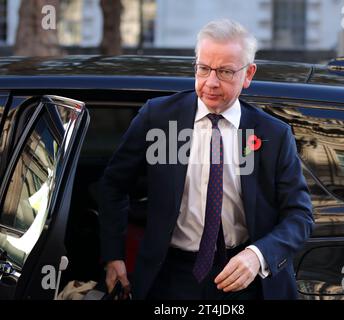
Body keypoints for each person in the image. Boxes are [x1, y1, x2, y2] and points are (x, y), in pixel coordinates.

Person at [99, 19, 314, 300]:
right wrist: (113, 256)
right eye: (203, 69)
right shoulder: (158, 118)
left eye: (225, 72)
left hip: (244, 277)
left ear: (248, 74)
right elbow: (113, 186)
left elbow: (300, 216)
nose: (211, 82)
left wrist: (257, 256)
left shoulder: (273, 134)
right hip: (170, 276)